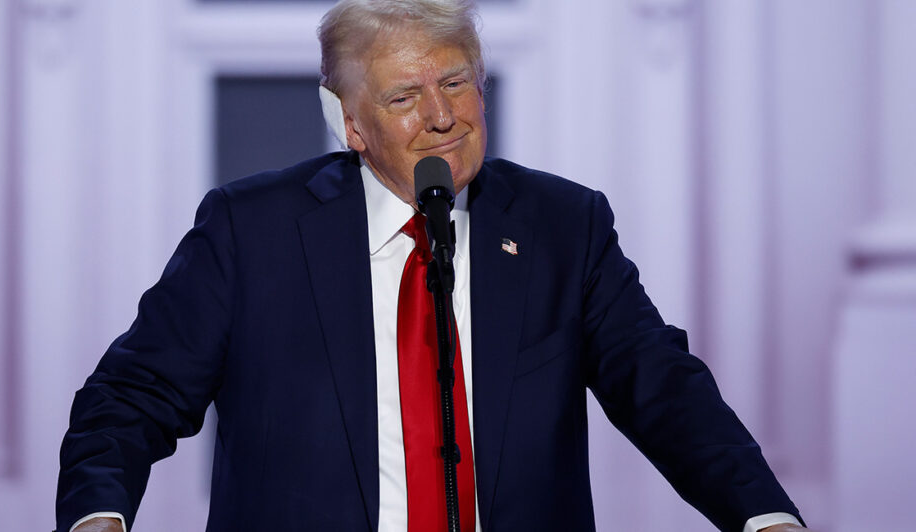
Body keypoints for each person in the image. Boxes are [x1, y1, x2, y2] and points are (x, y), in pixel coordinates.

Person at [57, 1, 808, 531]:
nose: (442, 116)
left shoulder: (562, 226)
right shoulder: (250, 231)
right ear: (351, 124)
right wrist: (99, 515)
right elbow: (132, 396)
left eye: (454, 83)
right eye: (405, 97)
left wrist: (764, 516)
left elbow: (664, 390)